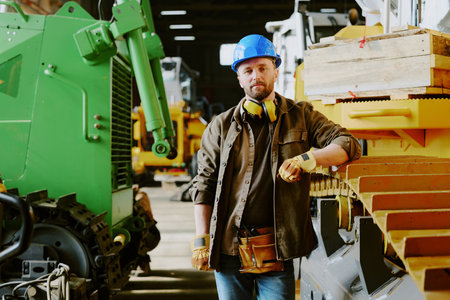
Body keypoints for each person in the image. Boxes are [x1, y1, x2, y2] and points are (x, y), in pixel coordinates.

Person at [189, 34, 361, 300]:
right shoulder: (220, 127)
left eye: (262, 68)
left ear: (275, 71)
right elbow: (204, 184)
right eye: (248, 70)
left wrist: (309, 159)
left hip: (276, 249)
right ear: (239, 78)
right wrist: (202, 240)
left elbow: (348, 144)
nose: (255, 75)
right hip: (228, 249)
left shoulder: (301, 116)